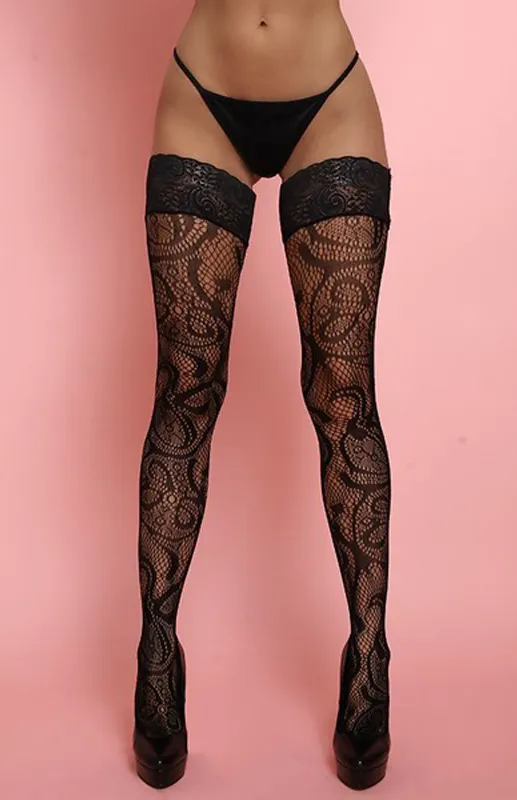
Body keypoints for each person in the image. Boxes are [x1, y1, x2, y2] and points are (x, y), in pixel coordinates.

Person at [132, 0, 393, 791]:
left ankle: (368, 655)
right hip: (200, 94)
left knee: (343, 393)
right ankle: (156, 653)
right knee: (185, 391)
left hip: (330, 98)